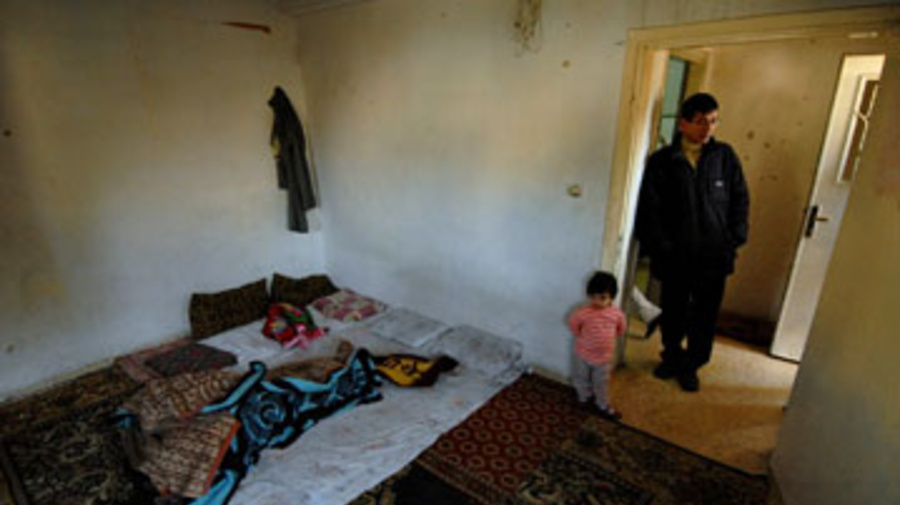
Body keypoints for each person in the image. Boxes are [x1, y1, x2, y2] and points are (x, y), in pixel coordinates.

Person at [636, 92, 749, 392]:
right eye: (700, 121)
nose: (707, 128)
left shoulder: (724, 157)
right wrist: (662, 247)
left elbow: (740, 199)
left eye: (713, 121)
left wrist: (734, 238)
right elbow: (650, 210)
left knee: (705, 315)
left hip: (714, 256)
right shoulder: (663, 161)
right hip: (676, 256)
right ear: (683, 123)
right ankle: (671, 356)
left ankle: (692, 365)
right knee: (673, 310)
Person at [568, 271, 627, 421]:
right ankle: (583, 398)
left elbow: (621, 329)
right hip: (583, 355)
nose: (597, 301)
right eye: (593, 297)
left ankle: (602, 404)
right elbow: (573, 323)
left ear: (611, 297)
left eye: (602, 297)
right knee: (581, 378)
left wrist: (609, 338)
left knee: (601, 383)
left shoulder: (617, 314)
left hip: (603, 359)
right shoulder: (583, 312)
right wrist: (580, 334)